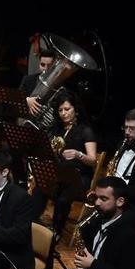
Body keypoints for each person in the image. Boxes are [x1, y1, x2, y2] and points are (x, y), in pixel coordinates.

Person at [44, 90, 97, 236]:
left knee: (63, 198)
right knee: (40, 188)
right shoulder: (57, 129)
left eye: (67, 109)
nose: (63, 113)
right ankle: (32, 223)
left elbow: (93, 161)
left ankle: (56, 231)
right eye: (60, 110)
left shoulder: (85, 130)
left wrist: (78, 154)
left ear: (76, 109)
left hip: (80, 176)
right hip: (61, 173)